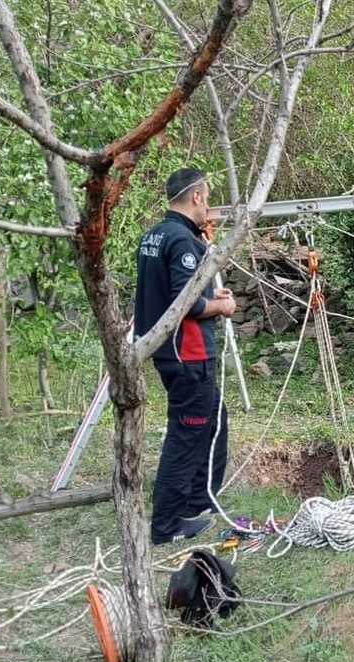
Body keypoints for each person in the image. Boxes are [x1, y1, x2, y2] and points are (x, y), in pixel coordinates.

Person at [134, 168, 237, 545]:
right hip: (187, 353)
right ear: (196, 196)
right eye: (206, 196)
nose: (208, 203)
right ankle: (166, 525)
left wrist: (210, 298)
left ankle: (199, 500)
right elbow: (186, 304)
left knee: (214, 420)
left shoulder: (155, 235)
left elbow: (173, 293)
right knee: (186, 434)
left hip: (169, 351)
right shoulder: (182, 240)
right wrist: (220, 307)